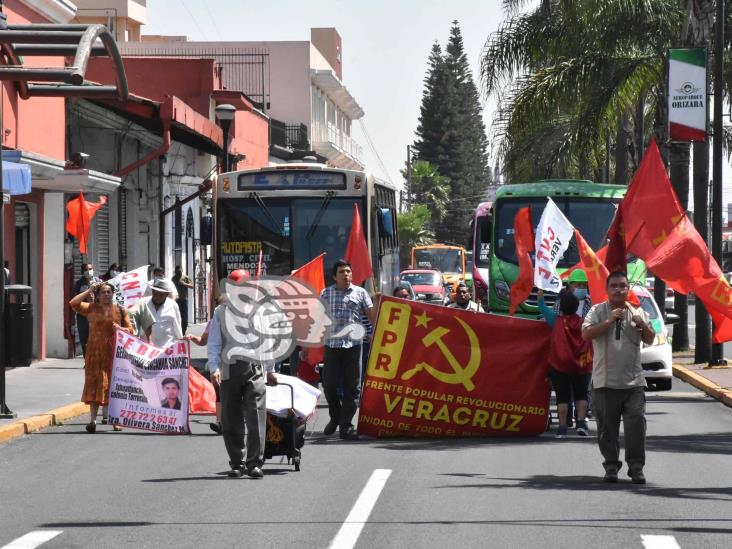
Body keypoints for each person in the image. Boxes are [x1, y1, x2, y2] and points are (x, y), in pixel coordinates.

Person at [582, 271, 655, 484]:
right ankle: (611, 466)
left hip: (634, 383)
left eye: (623, 285)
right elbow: (586, 334)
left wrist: (643, 324)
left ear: (628, 289)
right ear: (607, 289)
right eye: (614, 285)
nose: (619, 289)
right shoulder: (597, 311)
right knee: (607, 431)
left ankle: (636, 468)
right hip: (605, 382)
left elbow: (650, 340)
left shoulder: (638, 312)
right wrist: (609, 320)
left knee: (636, 427)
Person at [207, 269, 277, 478]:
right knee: (231, 416)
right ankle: (237, 462)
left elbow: (268, 341)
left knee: (256, 415)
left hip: (254, 367)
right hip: (229, 368)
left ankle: (254, 462)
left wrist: (271, 369)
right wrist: (214, 368)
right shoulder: (221, 313)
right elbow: (214, 343)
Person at [320, 259, 375, 441]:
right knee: (329, 385)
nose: (346, 275)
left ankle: (346, 426)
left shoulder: (361, 293)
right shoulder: (326, 293)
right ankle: (335, 416)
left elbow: (371, 316)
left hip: (354, 346)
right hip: (332, 346)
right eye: (342, 272)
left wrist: (374, 333)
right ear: (335, 276)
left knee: (353, 388)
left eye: (349, 271)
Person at [69, 281, 134, 433]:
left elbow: (132, 331)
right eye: (103, 292)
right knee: (94, 385)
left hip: (112, 355)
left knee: (112, 387)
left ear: (113, 294)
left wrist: (121, 329)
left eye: (108, 292)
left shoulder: (120, 310)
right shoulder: (91, 308)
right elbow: (73, 303)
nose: (106, 294)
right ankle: (92, 420)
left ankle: (115, 420)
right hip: (93, 354)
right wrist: (89, 290)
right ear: (97, 295)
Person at [538, 290, 593, 438]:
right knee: (581, 395)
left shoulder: (555, 320)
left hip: (560, 366)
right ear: (577, 307)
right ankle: (581, 423)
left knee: (562, 398)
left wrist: (541, 299)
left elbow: (542, 308)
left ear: (561, 307)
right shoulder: (584, 322)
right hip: (582, 366)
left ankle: (562, 428)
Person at [187, 318, 223, 434]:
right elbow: (203, 341)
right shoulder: (213, 322)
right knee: (219, 390)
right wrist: (192, 337)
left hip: (234, 361)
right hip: (217, 362)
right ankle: (219, 422)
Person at [141, 278, 183, 348]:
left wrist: (181, 343)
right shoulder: (143, 303)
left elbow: (177, 327)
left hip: (166, 350)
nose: (157, 297)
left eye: (161, 295)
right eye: (155, 293)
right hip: (146, 349)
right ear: (152, 291)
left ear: (166, 294)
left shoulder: (173, 305)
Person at [73, 263, 102, 357]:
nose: (89, 271)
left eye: (90, 269)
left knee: (95, 337)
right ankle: (86, 358)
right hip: (83, 314)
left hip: (95, 314)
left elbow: (105, 295)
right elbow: (75, 298)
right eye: (86, 269)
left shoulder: (98, 281)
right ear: (82, 272)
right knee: (84, 338)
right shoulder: (79, 284)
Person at [172, 265, 194, 335]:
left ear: (182, 270)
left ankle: (183, 331)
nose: (179, 272)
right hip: (176, 300)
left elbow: (192, 286)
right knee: (177, 317)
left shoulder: (185, 277)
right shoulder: (173, 278)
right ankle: (178, 331)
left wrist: (184, 284)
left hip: (184, 300)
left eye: (180, 271)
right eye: (177, 271)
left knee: (184, 318)